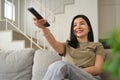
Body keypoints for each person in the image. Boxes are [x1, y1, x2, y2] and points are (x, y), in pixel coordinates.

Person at [33, 14, 105, 80]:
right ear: (73, 31)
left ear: (89, 28)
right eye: (75, 25)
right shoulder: (67, 46)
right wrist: (43, 28)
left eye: (82, 24)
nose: (78, 27)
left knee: (61, 65)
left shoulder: (97, 45)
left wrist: (72, 71)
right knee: (53, 66)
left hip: (89, 78)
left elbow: (97, 69)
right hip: (68, 77)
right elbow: (54, 42)